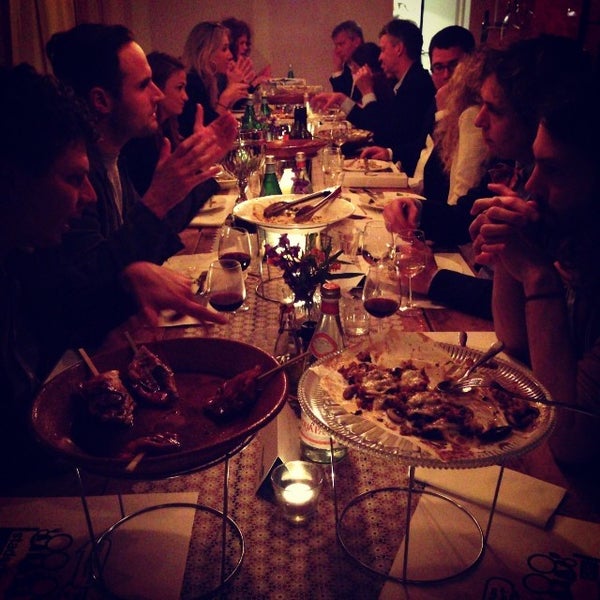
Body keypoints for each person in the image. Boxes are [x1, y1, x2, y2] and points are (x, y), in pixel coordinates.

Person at [0, 65, 225, 481]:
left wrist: (125, 282)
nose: (88, 195)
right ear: (11, 181)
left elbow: (59, 317)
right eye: (73, 178)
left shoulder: (17, 259)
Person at [469, 74, 600, 467]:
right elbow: (513, 341)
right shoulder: (576, 238)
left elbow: (570, 439)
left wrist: (538, 276)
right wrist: (512, 247)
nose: (532, 185)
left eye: (553, 170)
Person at [313, 19, 435, 176]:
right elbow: (380, 123)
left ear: (398, 49)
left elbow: (383, 132)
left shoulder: (417, 84)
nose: (380, 57)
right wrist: (342, 99)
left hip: (407, 173)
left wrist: (367, 92)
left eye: (383, 50)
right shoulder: (405, 81)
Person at [122, 51, 218, 230]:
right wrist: (202, 170)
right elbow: (173, 214)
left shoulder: (168, 129)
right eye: (179, 88)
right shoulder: (142, 143)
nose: (186, 97)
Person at [179, 21, 251, 133]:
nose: (230, 55)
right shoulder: (192, 81)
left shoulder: (210, 79)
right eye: (224, 49)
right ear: (207, 52)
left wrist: (232, 96)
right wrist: (225, 99)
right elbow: (208, 132)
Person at [222, 16, 271, 88]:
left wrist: (255, 82)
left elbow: (267, 69)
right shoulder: (223, 70)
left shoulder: (241, 64)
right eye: (241, 43)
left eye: (246, 43)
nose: (245, 47)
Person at [329, 20, 364, 101]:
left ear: (356, 42)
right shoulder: (347, 67)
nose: (337, 50)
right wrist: (338, 69)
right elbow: (341, 102)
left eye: (341, 44)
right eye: (336, 45)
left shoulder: (369, 65)